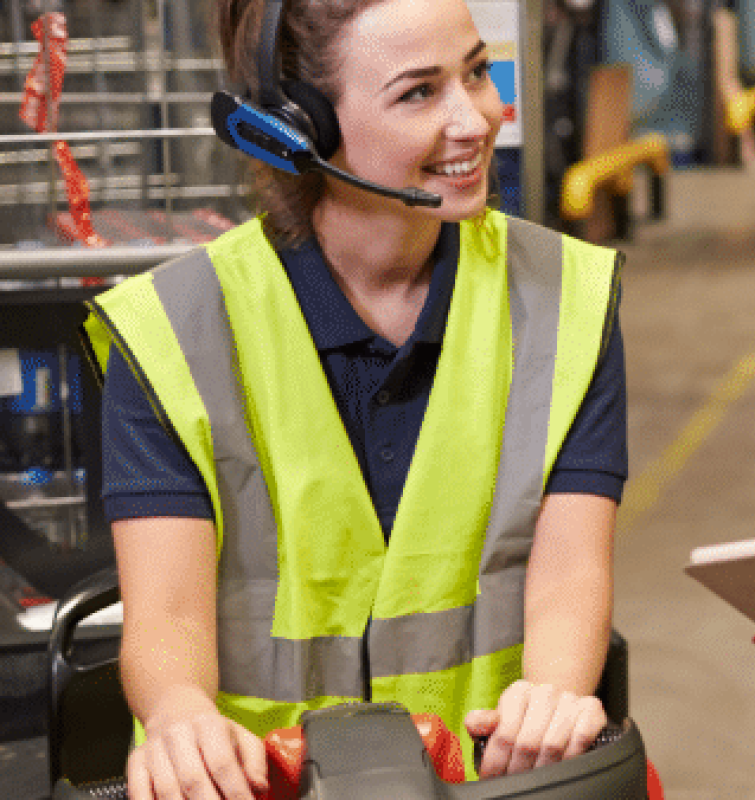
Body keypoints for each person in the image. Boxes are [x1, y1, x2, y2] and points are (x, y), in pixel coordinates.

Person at [82, 0, 627, 797]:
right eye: (419, 93)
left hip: (488, 784)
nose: (476, 118)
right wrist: (176, 715)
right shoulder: (177, 331)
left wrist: (555, 695)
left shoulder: (563, 301)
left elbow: (570, 575)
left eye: (475, 73)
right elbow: (168, 616)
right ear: (299, 128)